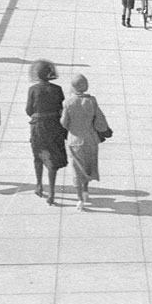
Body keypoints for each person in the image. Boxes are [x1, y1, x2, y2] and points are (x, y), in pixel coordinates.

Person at [61, 74, 110, 211]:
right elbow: (101, 123)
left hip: (74, 140)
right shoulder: (92, 101)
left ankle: (80, 200)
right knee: (88, 167)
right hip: (90, 140)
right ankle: (86, 191)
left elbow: (64, 123)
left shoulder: (68, 102)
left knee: (77, 170)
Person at [25, 59, 67, 205]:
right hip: (54, 125)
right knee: (52, 160)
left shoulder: (33, 89)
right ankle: (52, 192)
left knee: (38, 156)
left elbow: (28, 110)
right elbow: (61, 108)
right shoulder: (57, 89)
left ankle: (39, 185)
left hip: (38, 127)